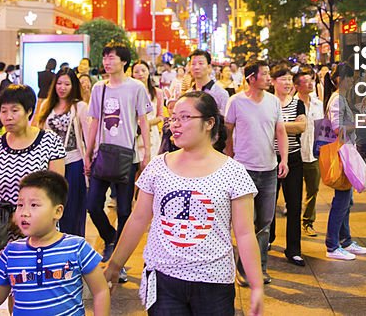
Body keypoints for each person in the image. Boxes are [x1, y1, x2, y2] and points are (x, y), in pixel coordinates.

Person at [104, 91, 263, 315]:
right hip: (163, 278)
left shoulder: (233, 172)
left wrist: (256, 285)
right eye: (173, 118)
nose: (175, 125)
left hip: (213, 280)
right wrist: (115, 264)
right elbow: (138, 219)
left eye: (185, 118)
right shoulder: (159, 166)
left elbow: (245, 233)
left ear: (209, 123)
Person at [0, 170, 109, 316]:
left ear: (57, 212)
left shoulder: (77, 247)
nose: (24, 212)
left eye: (34, 205)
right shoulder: (11, 252)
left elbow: (100, 291)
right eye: (20, 205)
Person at [83, 43, 153, 283]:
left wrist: (147, 153)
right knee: (92, 205)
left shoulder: (136, 87)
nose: (106, 61)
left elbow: (143, 120)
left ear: (124, 61)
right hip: (103, 154)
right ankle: (110, 236)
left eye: (111, 57)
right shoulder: (98, 88)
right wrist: (88, 152)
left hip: (127, 156)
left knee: (124, 210)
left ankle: (118, 260)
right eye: (104, 57)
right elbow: (94, 122)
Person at [0, 84, 66, 272]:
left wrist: (26, 217)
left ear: (29, 111)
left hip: (40, 227)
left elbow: (57, 189)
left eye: (14, 110)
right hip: (3, 228)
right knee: (7, 286)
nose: (8, 116)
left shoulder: (50, 142)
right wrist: (8, 216)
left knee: (37, 285)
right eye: (3, 111)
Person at [225, 61, 289, 284]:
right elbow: (228, 132)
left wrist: (284, 159)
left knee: (264, 223)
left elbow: (280, 131)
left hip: (269, 170)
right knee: (245, 223)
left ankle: (260, 268)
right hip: (243, 171)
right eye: (265, 74)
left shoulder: (273, 102)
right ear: (251, 78)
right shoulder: (235, 102)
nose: (269, 78)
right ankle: (244, 270)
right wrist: (230, 160)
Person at [321, 62, 366, 261]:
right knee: (342, 201)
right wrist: (359, 122)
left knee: (346, 200)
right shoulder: (337, 100)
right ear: (341, 79)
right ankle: (333, 245)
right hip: (342, 154)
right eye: (350, 78)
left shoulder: (339, 98)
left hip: (345, 152)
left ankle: (345, 240)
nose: (352, 81)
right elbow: (336, 128)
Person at [34, 68, 89, 237]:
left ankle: (73, 245)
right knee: (50, 207)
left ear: (73, 86)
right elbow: (39, 130)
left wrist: (89, 161)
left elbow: (88, 136)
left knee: (71, 209)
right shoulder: (46, 106)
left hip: (73, 163)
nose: (62, 87)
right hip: (49, 165)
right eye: (59, 83)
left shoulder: (80, 107)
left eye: (67, 84)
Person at [269, 64, 307, 265]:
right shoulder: (267, 102)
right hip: (269, 159)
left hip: (293, 158)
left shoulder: (298, 104)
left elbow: (302, 126)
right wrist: (287, 127)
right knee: (268, 204)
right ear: (273, 81)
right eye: (282, 78)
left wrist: (277, 126)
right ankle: (268, 239)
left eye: (289, 79)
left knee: (294, 205)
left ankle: (293, 249)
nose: (286, 83)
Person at [295, 69, 324, 237]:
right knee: (294, 191)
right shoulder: (290, 104)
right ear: (297, 85)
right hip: (296, 153)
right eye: (305, 81)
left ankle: (308, 221)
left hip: (313, 154)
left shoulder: (318, 104)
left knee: (313, 189)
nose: (310, 83)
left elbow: (322, 129)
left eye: (311, 80)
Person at [132, 60, 164, 160]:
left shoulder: (157, 92)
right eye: (136, 72)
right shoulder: (129, 93)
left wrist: (147, 123)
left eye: (143, 70)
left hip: (152, 134)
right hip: (135, 134)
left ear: (148, 72)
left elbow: (160, 116)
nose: (140, 74)